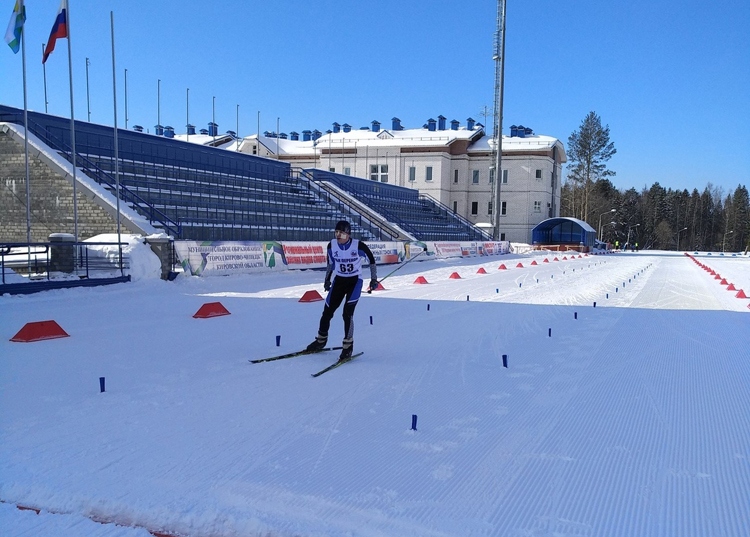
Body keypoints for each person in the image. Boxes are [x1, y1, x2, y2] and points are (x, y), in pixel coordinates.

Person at [306, 220, 378, 361]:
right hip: (339, 281)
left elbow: (371, 260)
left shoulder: (358, 245)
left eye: (341, 232)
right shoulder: (331, 246)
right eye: (336, 232)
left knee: (347, 314)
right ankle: (321, 340)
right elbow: (330, 264)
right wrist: (327, 280)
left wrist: (373, 279)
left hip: (354, 282)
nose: (338, 235)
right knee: (327, 311)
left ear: (348, 234)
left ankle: (348, 346)